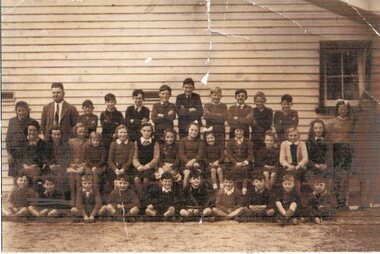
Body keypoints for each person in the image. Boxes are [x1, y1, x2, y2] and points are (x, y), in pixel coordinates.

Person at [352, 94, 380, 210]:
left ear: (371, 103)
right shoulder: (357, 116)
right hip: (360, 151)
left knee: (372, 176)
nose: (365, 105)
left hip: (373, 151)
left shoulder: (376, 116)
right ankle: (363, 202)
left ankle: (372, 201)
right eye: (362, 103)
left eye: (367, 103)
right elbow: (353, 133)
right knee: (362, 177)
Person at [327, 100, 354, 211]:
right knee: (337, 175)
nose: (343, 111)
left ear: (348, 110)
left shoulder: (351, 121)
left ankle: (344, 201)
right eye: (341, 109)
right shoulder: (332, 122)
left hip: (347, 149)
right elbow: (328, 138)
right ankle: (337, 201)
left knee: (345, 176)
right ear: (337, 110)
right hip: (336, 149)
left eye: (345, 109)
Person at [6, 101, 35, 179]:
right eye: (19, 110)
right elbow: (8, 139)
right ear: (16, 111)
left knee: (27, 178)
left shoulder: (32, 121)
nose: (21, 113)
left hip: (27, 154)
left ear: (27, 110)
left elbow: (35, 138)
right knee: (16, 179)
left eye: (23, 110)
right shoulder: (12, 121)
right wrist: (9, 154)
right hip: (14, 155)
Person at [132, 123, 159, 197]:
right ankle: (141, 196)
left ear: (151, 132)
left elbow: (156, 158)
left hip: (149, 167)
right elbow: (134, 157)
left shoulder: (155, 143)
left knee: (145, 180)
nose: (146, 133)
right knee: (137, 179)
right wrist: (138, 166)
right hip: (139, 167)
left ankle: (144, 197)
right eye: (144, 130)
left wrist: (147, 166)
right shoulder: (136, 142)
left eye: (148, 131)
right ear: (141, 131)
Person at [19, 120, 47, 191]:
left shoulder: (42, 143)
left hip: (37, 167)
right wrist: (24, 165)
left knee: (34, 178)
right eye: (30, 130)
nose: (31, 132)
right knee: (20, 178)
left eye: (34, 130)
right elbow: (21, 156)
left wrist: (35, 165)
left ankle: (33, 196)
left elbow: (44, 158)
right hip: (25, 167)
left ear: (38, 131)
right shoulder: (24, 142)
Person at [226, 126, 254, 195]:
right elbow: (229, 155)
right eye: (237, 131)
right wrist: (235, 162)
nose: (239, 133)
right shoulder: (231, 141)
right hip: (234, 163)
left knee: (244, 169)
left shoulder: (247, 141)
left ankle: (244, 188)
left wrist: (245, 162)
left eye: (241, 131)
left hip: (244, 163)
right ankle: (235, 188)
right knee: (235, 168)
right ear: (234, 132)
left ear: (243, 132)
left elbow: (250, 154)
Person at [107, 125, 135, 193]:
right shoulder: (113, 144)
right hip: (115, 168)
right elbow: (110, 160)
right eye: (120, 132)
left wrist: (124, 169)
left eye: (124, 132)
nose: (122, 134)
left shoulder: (131, 144)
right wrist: (115, 169)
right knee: (114, 181)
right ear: (117, 133)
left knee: (125, 181)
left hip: (127, 168)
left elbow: (130, 160)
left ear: (127, 133)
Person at [279, 127, 308, 192]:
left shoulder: (302, 144)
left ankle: (297, 194)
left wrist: (297, 167)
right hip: (288, 166)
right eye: (291, 135)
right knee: (287, 175)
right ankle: (287, 193)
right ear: (287, 136)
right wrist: (289, 166)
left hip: (299, 166)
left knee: (297, 174)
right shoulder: (284, 144)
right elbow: (282, 159)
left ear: (298, 135)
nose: (293, 137)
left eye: (295, 135)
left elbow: (305, 158)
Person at [305, 119, 332, 188]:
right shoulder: (308, 142)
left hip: (325, 166)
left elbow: (330, 155)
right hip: (313, 167)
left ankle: (325, 195)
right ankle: (317, 194)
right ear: (313, 129)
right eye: (316, 128)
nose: (318, 130)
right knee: (310, 175)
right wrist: (315, 165)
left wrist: (326, 165)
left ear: (323, 129)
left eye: (320, 128)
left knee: (328, 175)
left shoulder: (328, 141)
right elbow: (306, 158)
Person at [45, 126, 71, 197]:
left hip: (62, 167)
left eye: (58, 135)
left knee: (61, 177)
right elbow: (45, 158)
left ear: (61, 135)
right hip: (51, 167)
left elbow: (68, 157)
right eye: (54, 135)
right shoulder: (48, 145)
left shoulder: (65, 145)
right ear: (51, 135)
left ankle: (61, 197)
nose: (56, 137)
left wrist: (61, 165)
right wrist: (50, 165)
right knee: (49, 177)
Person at [67, 123, 88, 206]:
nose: (81, 134)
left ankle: (79, 198)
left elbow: (89, 156)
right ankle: (73, 196)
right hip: (72, 164)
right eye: (79, 132)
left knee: (78, 175)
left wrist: (83, 164)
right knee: (72, 174)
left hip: (83, 164)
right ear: (76, 132)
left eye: (83, 132)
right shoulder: (71, 141)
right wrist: (71, 164)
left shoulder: (88, 141)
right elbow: (68, 154)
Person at [179, 122, 204, 189]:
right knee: (187, 173)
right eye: (192, 129)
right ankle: (185, 193)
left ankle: (199, 194)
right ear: (188, 130)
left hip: (197, 163)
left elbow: (200, 155)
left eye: (196, 130)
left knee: (198, 175)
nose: (194, 132)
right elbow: (181, 155)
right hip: (185, 164)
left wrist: (193, 161)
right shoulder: (182, 140)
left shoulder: (200, 141)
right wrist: (188, 162)